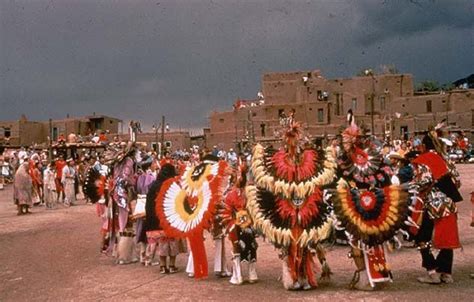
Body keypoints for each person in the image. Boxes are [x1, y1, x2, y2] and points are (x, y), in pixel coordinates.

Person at [411, 130, 463, 284]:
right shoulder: (446, 159)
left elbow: (423, 182)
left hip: (431, 204)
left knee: (421, 237)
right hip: (449, 204)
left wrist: (409, 187)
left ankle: (432, 272)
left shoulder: (423, 160)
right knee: (446, 237)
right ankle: (446, 273)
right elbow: (457, 182)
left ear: (424, 146)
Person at [144, 164, 178, 271]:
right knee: (172, 242)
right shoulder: (172, 185)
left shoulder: (154, 185)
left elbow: (148, 204)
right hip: (170, 218)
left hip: (155, 218)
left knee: (162, 242)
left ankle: (163, 265)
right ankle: (172, 265)